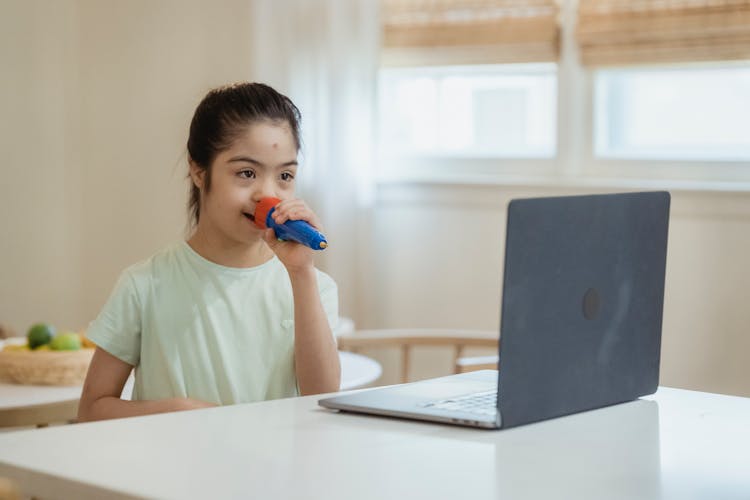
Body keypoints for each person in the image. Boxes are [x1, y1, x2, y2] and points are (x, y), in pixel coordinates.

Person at [77, 83, 341, 422]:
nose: (268, 194)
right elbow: (92, 410)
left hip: (275, 473)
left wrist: (302, 274)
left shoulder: (314, 287)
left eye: (285, 176)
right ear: (199, 171)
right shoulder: (144, 284)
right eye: (247, 173)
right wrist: (176, 411)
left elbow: (322, 398)